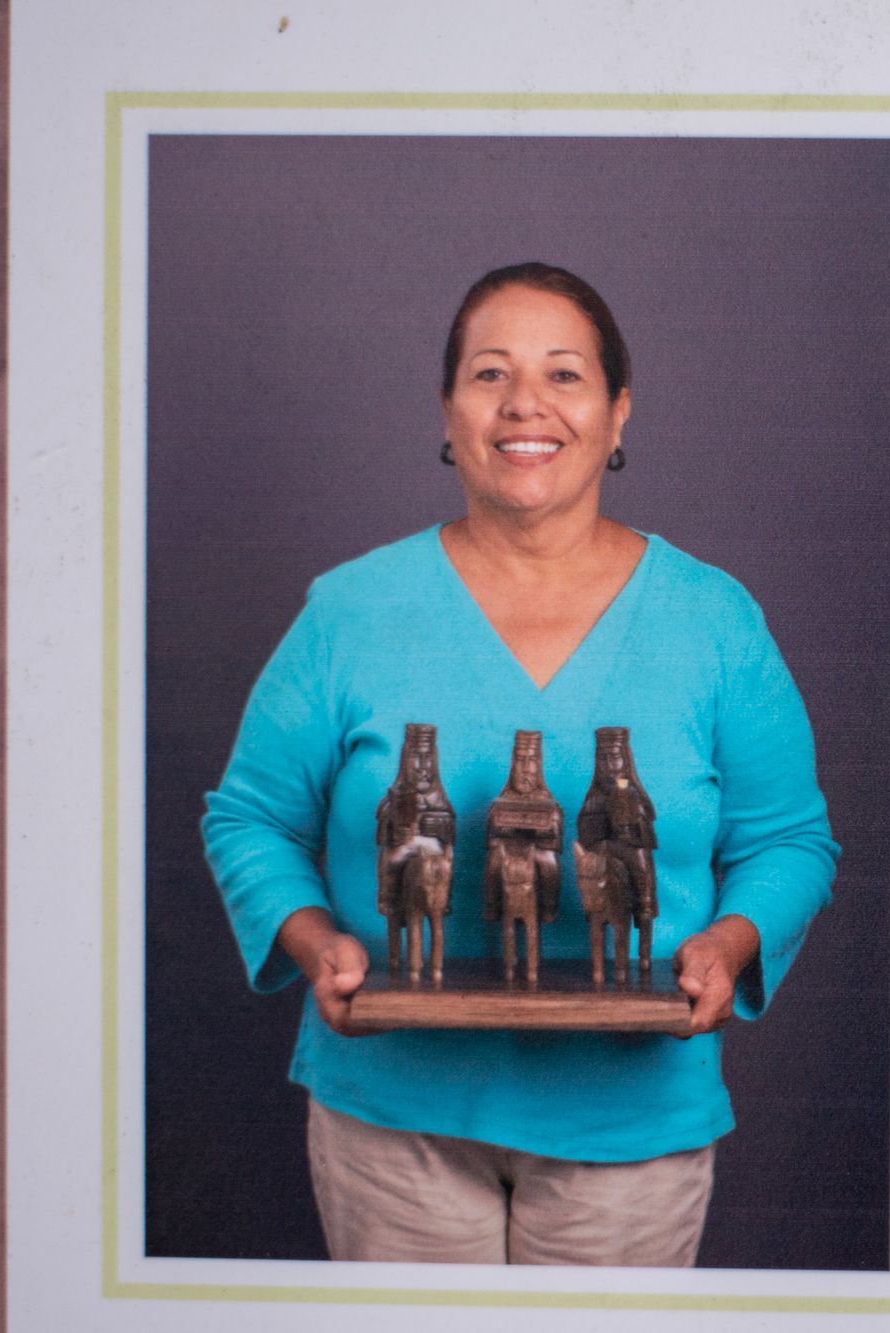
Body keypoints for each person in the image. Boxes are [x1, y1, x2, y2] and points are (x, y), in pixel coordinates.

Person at [202, 262, 839, 1266]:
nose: (524, 404)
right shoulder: (351, 610)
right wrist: (317, 940)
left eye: (564, 374)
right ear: (448, 410)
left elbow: (789, 840)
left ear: (618, 413)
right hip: (391, 1123)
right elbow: (250, 818)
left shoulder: (713, 618)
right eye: (490, 373)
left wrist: (728, 942)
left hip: (630, 1126)